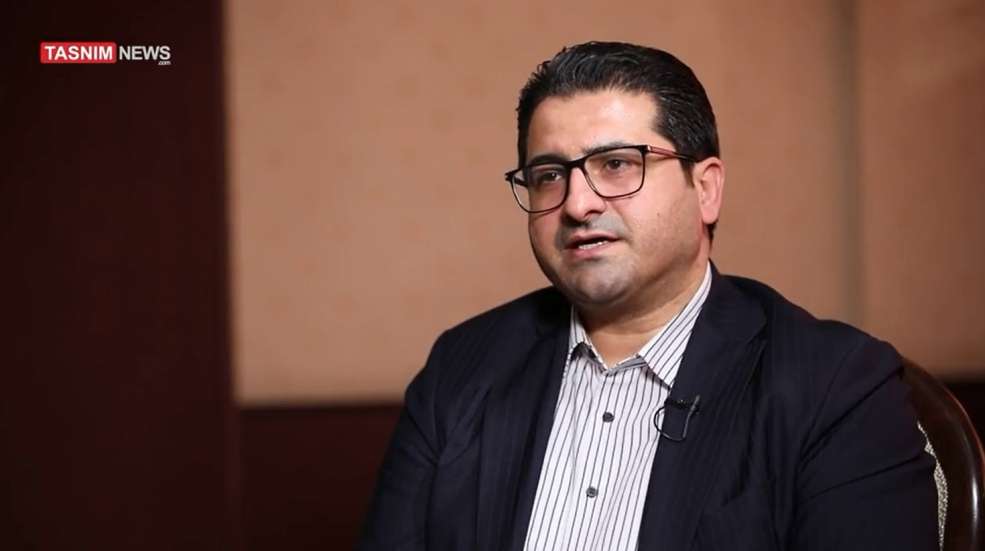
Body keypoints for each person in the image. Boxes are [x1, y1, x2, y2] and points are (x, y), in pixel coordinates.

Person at [359, 41, 937, 550]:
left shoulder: (835, 385)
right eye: (549, 175)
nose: (577, 203)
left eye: (616, 164)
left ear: (705, 189)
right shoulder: (462, 369)